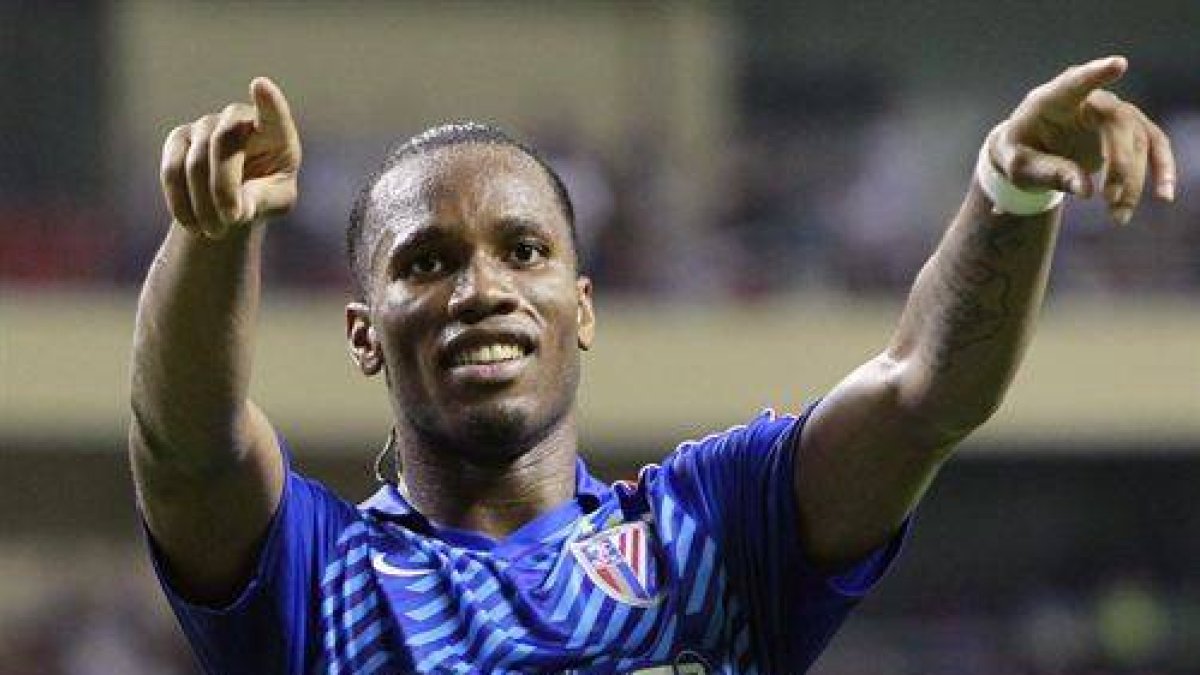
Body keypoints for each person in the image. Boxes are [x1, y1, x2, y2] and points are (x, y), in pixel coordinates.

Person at [129, 55, 1175, 674]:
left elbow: (920, 393)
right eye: (428, 262)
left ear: (580, 309)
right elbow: (188, 449)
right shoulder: (323, 581)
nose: (481, 288)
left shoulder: (712, 532)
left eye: (523, 250)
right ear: (366, 332)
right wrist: (213, 237)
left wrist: (1012, 193)